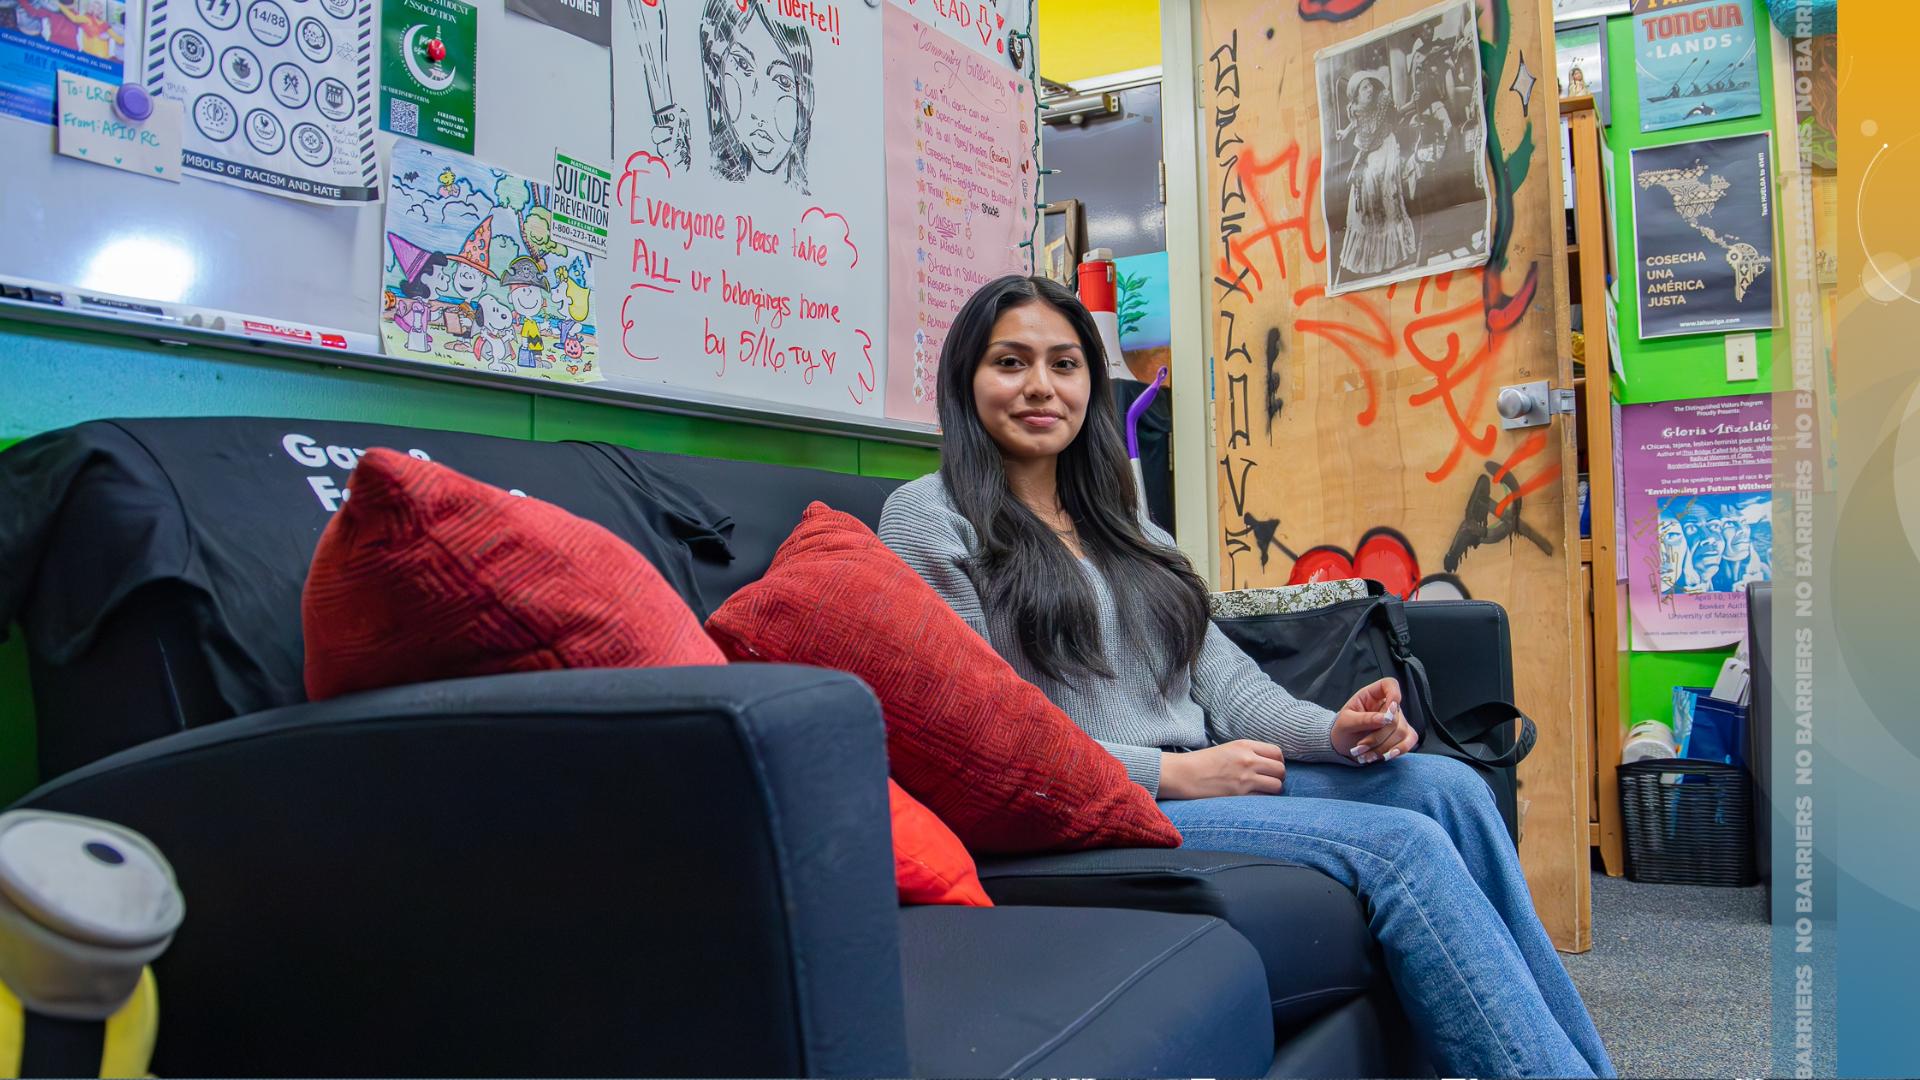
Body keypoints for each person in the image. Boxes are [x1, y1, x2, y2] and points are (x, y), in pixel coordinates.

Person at [877, 275, 1615, 1079]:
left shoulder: (1121, 518)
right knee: (1402, 848)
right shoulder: (928, 516)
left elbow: (1226, 682)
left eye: (1064, 364)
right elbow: (981, 732)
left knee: (1451, 790)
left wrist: (1334, 732)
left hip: (1202, 783)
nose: (1040, 387)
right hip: (1096, 809)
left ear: (1091, 380)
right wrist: (1174, 773)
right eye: (1010, 362)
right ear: (965, 379)